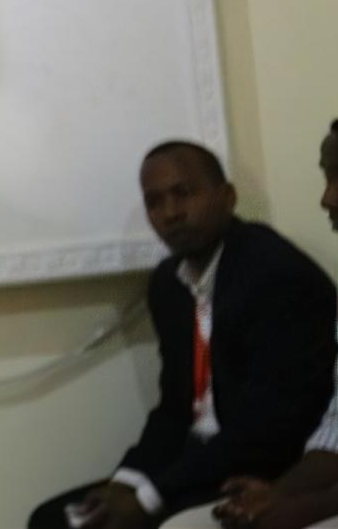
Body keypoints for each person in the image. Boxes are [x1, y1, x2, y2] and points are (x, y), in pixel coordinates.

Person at [28, 140, 336, 529]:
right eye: (154, 202)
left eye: (184, 193)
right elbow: (174, 408)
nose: (171, 213)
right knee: (54, 519)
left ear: (227, 197)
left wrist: (149, 498)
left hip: (262, 466)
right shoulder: (168, 284)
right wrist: (126, 483)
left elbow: (269, 428)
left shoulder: (275, 274)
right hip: (196, 460)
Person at [158, 120, 338, 529]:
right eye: (327, 177)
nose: (327, 198)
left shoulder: (273, 270)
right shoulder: (167, 282)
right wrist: (277, 493)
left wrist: (304, 508)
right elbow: (335, 430)